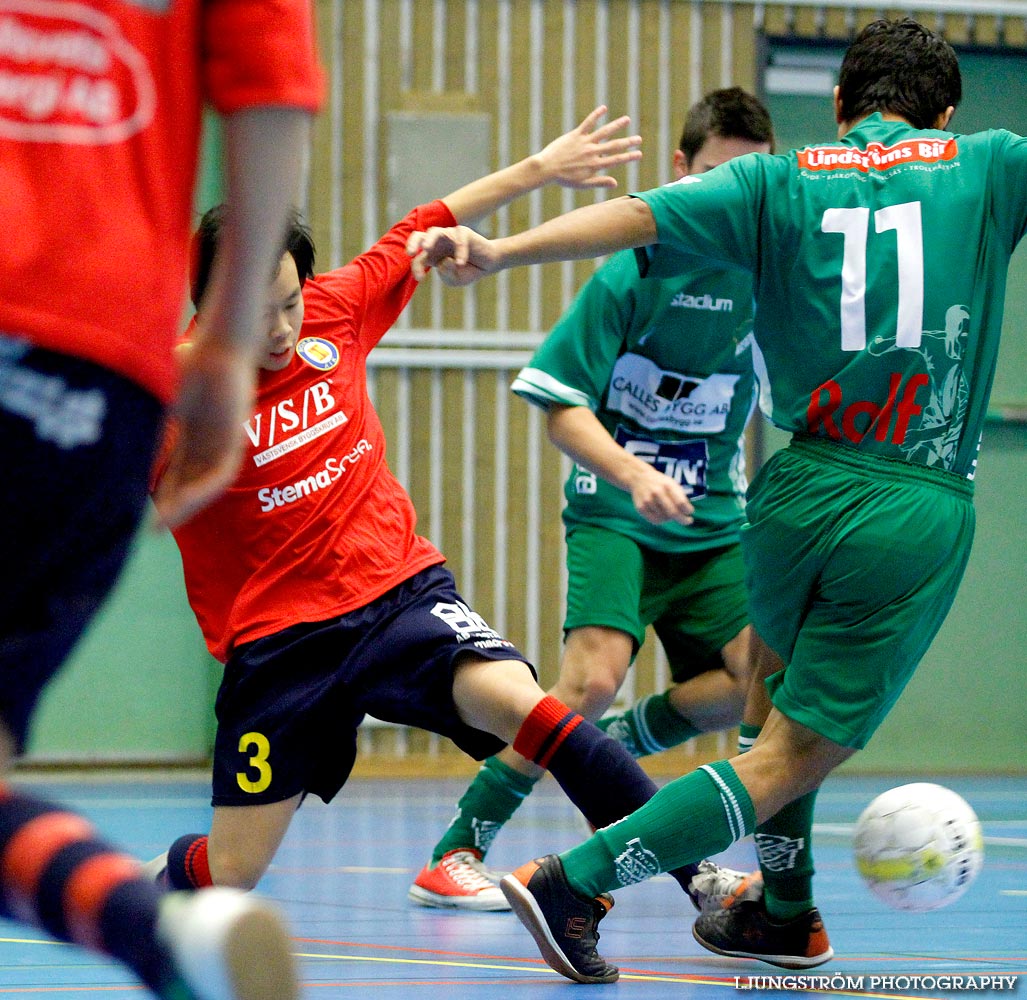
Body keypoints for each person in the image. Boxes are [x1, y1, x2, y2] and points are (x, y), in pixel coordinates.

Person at [407, 17, 1012, 981]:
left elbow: (640, 215)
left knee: (766, 707)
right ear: (944, 109)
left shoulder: (775, 180)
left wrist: (498, 250)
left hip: (785, 494)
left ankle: (784, 912)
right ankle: (577, 879)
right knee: (788, 756)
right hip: (905, 499)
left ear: (843, 105)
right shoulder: (988, 162)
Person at [142, 108, 733, 915]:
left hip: (398, 597)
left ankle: (698, 877)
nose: (280, 329)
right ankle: (149, 885)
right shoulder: (168, 403)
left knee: (536, 712)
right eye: (254, 309)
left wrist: (541, 165)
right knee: (234, 871)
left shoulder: (336, 312)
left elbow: (428, 224)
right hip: (278, 647)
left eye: (289, 301)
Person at [0, 0, 323, 996]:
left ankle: (153, 931)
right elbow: (273, 88)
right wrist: (225, 343)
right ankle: (164, 938)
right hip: (94, 367)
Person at [408, 88, 774, 911]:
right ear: (679, 172)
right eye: (712, 176)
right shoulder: (634, 270)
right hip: (616, 509)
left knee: (760, 674)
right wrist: (633, 473)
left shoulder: (768, 283)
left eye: (745, 182)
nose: (726, 200)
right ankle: (456, 848)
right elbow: (561, 409)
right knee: (589, 681)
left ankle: (626, 746)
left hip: (713, 522)